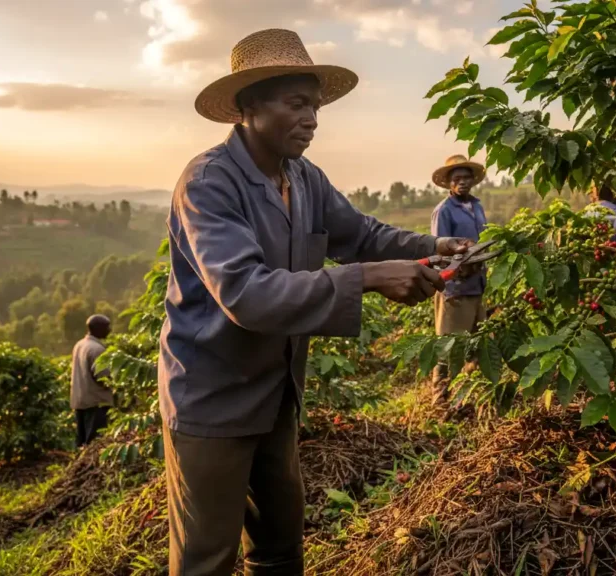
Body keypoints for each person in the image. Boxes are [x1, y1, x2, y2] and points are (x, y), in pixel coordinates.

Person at [158, 29, 473, 576]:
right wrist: (370, 278)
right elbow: (247, 294)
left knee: (280, 544)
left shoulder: (302, 178)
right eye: (296, 104)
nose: (312, 119)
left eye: (316, 106)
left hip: (277, 390)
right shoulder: (208, 183)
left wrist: (431, 247)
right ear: (248, 106)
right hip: (212, 398)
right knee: (206, 558)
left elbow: (361, 233)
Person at [429, 155, 488, 401]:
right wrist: (462, 267)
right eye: (457, 179)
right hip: (456, 287)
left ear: (473, 181)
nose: (462, 183)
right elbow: (439, 251)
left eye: (466, 178)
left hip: (478, 286)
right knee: (449, 347)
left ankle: (467, 396)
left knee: (477, 345)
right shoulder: (443, 211)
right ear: (449, 184)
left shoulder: (477, 206)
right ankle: (439, 398)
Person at [70, 314, 113, 448]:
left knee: (82, 443)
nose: (109, 330)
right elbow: (102, 378)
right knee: (94, 444)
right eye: (106, 327)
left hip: (80, 401)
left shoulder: (80, 344)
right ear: (98, 329)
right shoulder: (97, 349)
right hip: (96, 403)